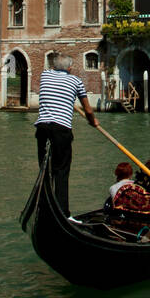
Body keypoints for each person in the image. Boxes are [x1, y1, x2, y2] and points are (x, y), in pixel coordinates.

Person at [34, 53, 98, 217]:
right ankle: (63, 212)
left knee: (44, 169)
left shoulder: (45, 75)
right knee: (61, 171)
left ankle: (42, 206)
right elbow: (88, 109)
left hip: (42, 128)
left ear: (53, 67)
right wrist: (93, 121)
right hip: (61, 129)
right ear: (70, 68)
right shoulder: (76, 82)